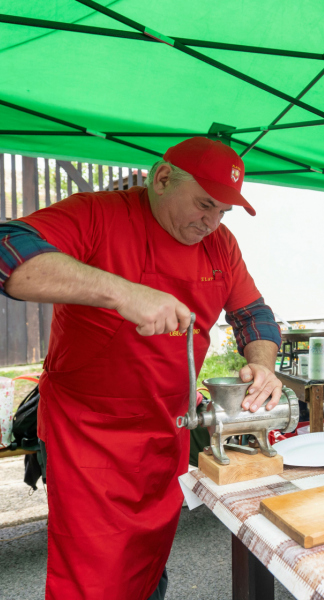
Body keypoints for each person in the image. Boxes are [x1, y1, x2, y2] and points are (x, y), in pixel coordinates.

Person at [0, 138, 283, 600]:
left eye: (223, 213)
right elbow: (7, 248)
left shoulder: (221, 246)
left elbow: (254, 314)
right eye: (204, 204)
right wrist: (123, 293)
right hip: (88, 436)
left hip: (166, 429)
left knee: (148, 561)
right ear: (162, 177)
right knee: (92, 577)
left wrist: (262, 365)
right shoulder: (97, 214)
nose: (210, 222)